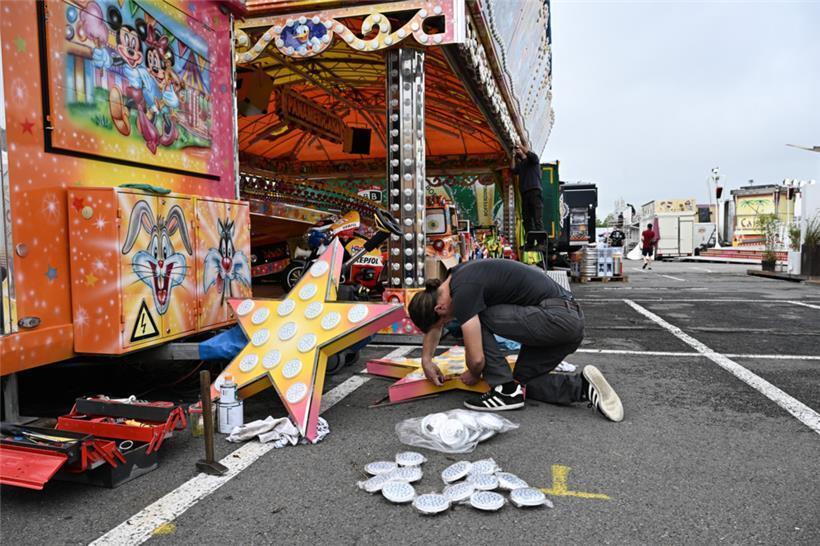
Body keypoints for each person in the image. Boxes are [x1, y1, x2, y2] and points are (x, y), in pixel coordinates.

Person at [407, 259, 624, 421]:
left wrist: (474, 372)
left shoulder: (463, 292)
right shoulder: (456, 279)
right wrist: (426, 360)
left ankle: (505, 391)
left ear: (440, 308)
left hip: (557, 319)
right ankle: (583, 387)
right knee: (523, 383)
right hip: (565, 323)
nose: (446, 324)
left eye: (443, 322)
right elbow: (433, 328)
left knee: (478, 318)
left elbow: (477, 359)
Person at [511, 146, 544, 235]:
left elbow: (529, 154)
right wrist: (513, 156)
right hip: (525, 193)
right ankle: (530, 241)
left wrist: (519, 146)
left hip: (534, 191)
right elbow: (513, 169)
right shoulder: (521, 165)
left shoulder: (533, 160)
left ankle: (541, 242)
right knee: (526, 219)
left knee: (537, 218)